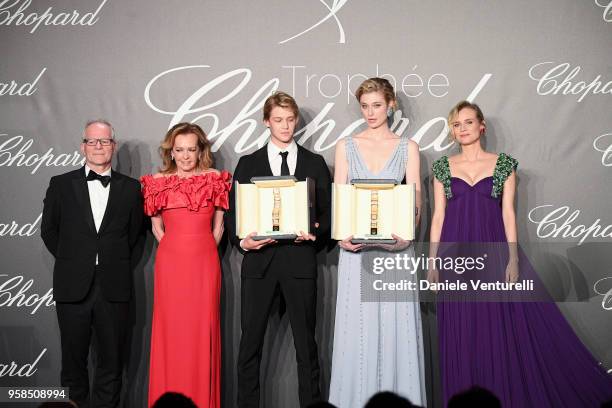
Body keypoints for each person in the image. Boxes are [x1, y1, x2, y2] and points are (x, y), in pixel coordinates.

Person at [429, 100, 612, 407]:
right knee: (461, 335)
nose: (463, 129)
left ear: (481, 125)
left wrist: (513, 259)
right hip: (456, 260)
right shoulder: (442, 168)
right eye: (456, 124)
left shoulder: (503, 164)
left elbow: (508, 215)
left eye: (468, 122)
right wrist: (433, 264)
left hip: (495, 256)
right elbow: (438, 218)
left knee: (495, 334)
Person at [226, 91, 331, 408]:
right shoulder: (248, 163)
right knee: (249, 347)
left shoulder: (314, 163)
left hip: (300, 262)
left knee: (306, 348)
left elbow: (329, 216)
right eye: (278, 120)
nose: (285, 126)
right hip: (259, 263)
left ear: (296, 120)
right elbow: (235, 215)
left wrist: (313, 232)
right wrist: (243, 241)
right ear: (266, 121)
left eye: (290, 119)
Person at [328, 78, 426, 408]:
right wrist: (341, 236)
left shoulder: (408, 147)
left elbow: (416, 199)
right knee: (357, 332)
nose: (370, 112)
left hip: (396, 254)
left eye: (377, 105)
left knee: (397, 332)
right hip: (356, 256)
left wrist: (404, 240)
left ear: (391, 105)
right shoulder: (345, 146)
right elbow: (339, 196)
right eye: (365, 106)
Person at [41, 119, 144, 408]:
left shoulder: (131, 189)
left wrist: (113, 263)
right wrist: (73, 261)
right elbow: (48, 230)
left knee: (111, 367)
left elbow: (135, 237)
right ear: (83, 145)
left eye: (105, 141)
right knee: (72, 367)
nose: (99, 147)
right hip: (72, 287)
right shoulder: (61, 184)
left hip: (114, 288)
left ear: (114, 145)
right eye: (92, 141)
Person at [141, 123, 230, 408]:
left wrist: (201, 250)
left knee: (202, 332)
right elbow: (157, 229)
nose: (185, 156)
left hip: (204, 263)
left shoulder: (214, 179)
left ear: (200, 150)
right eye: (179, 150)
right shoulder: (158, 181)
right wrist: (177, 249)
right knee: (171, 332)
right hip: (170, 263)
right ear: (171, 151)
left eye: (191, 149)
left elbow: (219, 229)